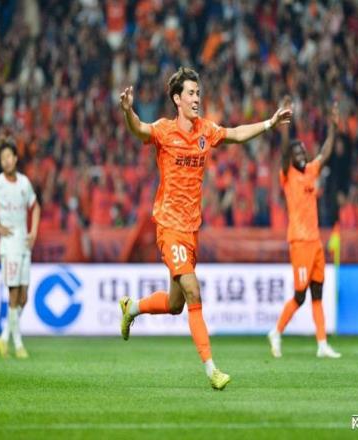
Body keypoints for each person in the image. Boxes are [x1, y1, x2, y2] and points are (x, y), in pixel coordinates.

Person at [119, 67, 292, 389]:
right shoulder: (164, 130)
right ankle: (212, 370)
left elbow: (236, 133)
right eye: (191, 93)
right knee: (193, 291)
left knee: (175, 305)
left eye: (198, 93)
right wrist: (129, 111)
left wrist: (269, 123)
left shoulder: (205, 131)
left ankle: (133, 307)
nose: (197, 98)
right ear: (177, 99)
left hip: (191, 229)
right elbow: (139, 129)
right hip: (169, 226)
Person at [268, 97, 341, 359]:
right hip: (299, 242)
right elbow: (284, 150)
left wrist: (333, 127)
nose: (301, 154)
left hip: (316, 242)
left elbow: (326, 152)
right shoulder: (288, 175)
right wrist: (285, 124)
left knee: (317, 294)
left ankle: (322, 344)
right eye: (296, 153)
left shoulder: (311, 170)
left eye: (302, 152)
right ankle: (276, 332)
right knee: (299, 296)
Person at [0, 137, 40, 359]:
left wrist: (34, 231)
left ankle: (3, 338)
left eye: (9, 156)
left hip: (24, 243)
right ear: (0, 162)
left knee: (24, 298)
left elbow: (36, 206)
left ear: (15, 158)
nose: (6, 161)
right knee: (13, 294)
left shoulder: (24, 183)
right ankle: (18, 345)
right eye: (2, 158)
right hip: (9, 245)